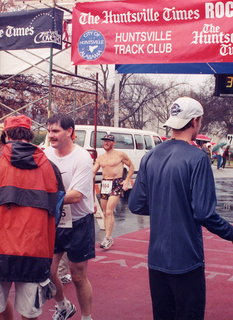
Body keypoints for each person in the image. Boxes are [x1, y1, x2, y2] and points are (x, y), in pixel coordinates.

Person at [128, 97, 233, 320]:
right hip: (186, 259)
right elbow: (204, 212)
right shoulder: (197, 158)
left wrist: (164, 206)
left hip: (156, 259)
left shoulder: (150, 156)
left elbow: (136, 204)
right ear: (195, 121)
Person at [0, 115, 64, 320]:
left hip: (1, 248)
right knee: (30, 312)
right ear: (30, 135)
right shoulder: (50, 167)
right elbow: (57, 210)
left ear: (6, 134)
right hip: (36, 250)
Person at [45, 113, 95, 320]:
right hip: (55, 221)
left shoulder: (82, 157)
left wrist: (41, 198)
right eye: (48, 131)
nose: (50, 135)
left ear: (70, 132)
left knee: (77, 275)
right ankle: (63, 306)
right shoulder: (45, 154)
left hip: (79, 222)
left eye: (55, 131)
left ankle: (87, 317)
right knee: (47, 270)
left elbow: (76, 196)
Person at [93, 134, 134, 249]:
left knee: (110, 211)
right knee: (105, 212)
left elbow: (131, 166)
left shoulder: (120, 154)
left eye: (109, 141)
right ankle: (109, 236)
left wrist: (126, 180)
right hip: (105, 184)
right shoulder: (100, 158)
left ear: (113, 143)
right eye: (105, 141)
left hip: (117, 184)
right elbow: (92, 171)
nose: (106, 142)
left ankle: (107, 238)